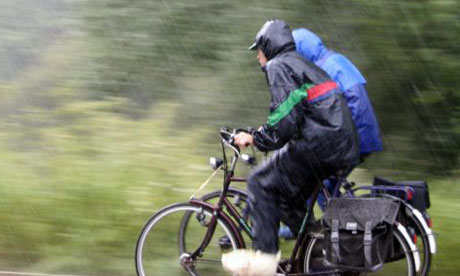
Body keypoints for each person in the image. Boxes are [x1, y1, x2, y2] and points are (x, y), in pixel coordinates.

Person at [221, 19, 359, 276]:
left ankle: (264, 263)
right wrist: (258, 134)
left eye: (259, 51)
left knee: (259, 183)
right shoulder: (301, 64)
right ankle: (316, 255)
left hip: (320, 145)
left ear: (268, 47)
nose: (258, 58)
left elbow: (285, 120)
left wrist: (256, 139)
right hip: (337, 145)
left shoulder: (279, 65)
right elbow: (292, 113)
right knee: (285, 198)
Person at [277, 28, 384, 240]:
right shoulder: (331, 62)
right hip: (361, 135)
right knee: (325, 186)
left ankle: (326, 233)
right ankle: (331, 233)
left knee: (313, 177)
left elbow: (353, 102)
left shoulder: (329, 66)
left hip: (355, 137)